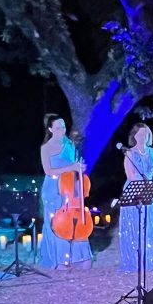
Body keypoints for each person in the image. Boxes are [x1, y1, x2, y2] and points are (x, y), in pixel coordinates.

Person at [39, 114, 93, 270]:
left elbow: (73, 166)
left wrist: (79, 168)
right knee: (57, 222)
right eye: (58, 128)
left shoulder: (69, 144)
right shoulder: (46, 148)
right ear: (50, 129)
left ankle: (78, 257)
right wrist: (71, 167)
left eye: (63, 127)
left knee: (73, 220)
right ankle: (59, 259)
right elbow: (48, 171)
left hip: (69, 187)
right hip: (52, 188)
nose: (62, 130)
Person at [119, 122, 153, 274]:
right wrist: (143, 187)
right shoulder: (129, 153)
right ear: (134, 136)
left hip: (149, 190)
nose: (143, 137)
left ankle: (150, 259)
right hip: (135, 190)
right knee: (135, 225)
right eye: (140, 134)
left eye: (146, 134)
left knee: (149, 224)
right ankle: (134, 260)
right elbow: (130, 175)